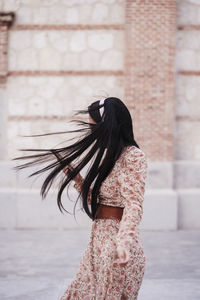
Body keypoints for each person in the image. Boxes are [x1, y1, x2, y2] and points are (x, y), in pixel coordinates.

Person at [13, 97, 148, 299]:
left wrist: (123, 242)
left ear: (108, 127)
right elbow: (101, 202)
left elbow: (133, 204)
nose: (92, 134)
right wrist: (77, 179)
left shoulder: (133, 157)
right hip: (97, 244)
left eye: (95, 128)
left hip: (116, 250)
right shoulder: (108, 157)